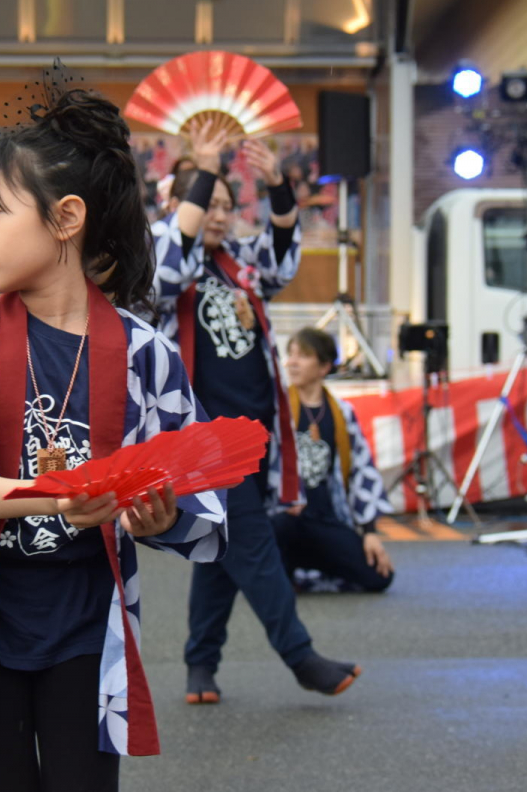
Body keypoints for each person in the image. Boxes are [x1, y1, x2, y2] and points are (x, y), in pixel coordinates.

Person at [0, 87, 226, 792]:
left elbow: (195, 490)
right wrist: (59, 496)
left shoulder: (145, 352)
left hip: (86, 620)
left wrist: (160, 514)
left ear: (66, 218)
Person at [151, 118, 361, 705]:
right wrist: (206, 166)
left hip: (254, 428)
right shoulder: (162, 259)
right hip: (200, 435)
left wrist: (276, 189)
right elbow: (168, 268)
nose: (217, 214)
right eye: (206, 202)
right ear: (179, 204)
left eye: (224, 203)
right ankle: (301, 656)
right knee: (251, 537)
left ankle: (200, 665)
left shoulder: (240, 262)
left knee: (222, 549)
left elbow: (283, 263)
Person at [273, 328, 395, 593]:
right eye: (290, 354)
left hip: (327, 520)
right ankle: (284, 575)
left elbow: (362, 470)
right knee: (281, 524)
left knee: (379, 577)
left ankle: (306, 570)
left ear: (324, 366)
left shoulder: (342, 413)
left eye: (302, 356)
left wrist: (370, 532)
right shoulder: (276, 409)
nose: (292, 362)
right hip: (287, 519)